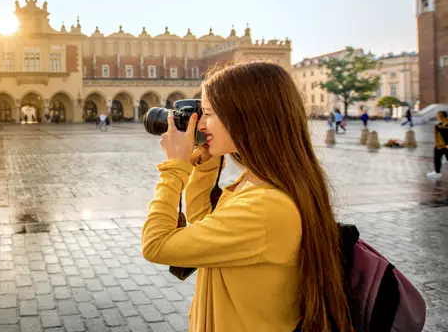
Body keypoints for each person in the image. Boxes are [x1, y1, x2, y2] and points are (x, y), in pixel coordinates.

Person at [142, 61, 350, 332]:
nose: (200, 124)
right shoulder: (260, 180)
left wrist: (175, 168)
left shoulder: (266, 206)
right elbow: (206, 220)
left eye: (208, 113)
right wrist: (205, 164)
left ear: (246, 117)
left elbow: (156, 245)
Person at [426, 110, 448, 180]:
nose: (437, 116)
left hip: (446, 145)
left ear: (442, 116)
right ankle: (437, 172)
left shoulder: (445, 125)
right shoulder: (439, 125)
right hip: (439, 145)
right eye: (437, 115)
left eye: (439, 115)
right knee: (437, 159)